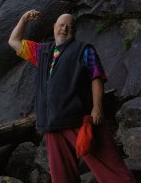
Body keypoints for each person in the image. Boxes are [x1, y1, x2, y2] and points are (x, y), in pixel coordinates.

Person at [8, 10, 136, 183]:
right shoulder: (42, 52)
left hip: (79, 120)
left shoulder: (83, 49)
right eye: (61, 25)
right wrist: (24, 19)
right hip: (53, 124)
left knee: (110, 167)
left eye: (69, 26)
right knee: (62, 177)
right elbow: (13, 41)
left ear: (74, 31)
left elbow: (96, 77)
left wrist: (97, 108)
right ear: (54, 27)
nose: (64, 28)